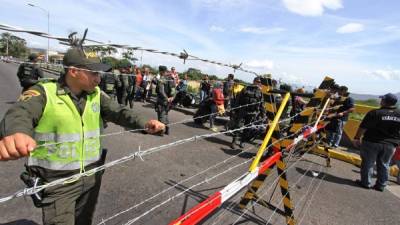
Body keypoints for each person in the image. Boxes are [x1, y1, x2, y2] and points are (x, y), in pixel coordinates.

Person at [0, 46, 165, 225]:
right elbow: (20, 113)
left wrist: (145, 123)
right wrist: (16, 133)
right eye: (93, 73)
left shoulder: (95, 95)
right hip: (58, 182)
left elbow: (120, 111)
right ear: (74, 71)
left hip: (91, 176)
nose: (98, 78)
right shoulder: (43, 92)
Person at [353, 93, 400, 191]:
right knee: (384, 164)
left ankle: (366, 183)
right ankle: (381, 185)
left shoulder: (374, 113)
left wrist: (357, 138)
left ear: (384, 101)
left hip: (371, 142)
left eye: (382, 99)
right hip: (390, 144)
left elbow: (363, 127)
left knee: (368, 163)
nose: (380, 101)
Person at [231, 77, 265, 149]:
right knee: (238, 126)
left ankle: (242, 142)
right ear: (253, 81)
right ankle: (234, 141)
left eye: (259, 82)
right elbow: (238, 99)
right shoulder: (246, 88)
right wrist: (235, 109)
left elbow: (262, 104)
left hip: (252, 112)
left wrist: (263, 114)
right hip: (243, 110)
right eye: (257, 81)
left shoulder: (260, 92)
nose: (258, 83)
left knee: (247, 128)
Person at [155, 65, 176, 135]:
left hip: (162, 99)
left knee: (161, 114)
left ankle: (161, 131)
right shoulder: (170, 78)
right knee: (166, 114)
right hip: (169, 100)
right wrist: (171, 98)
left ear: (161, 71)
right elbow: (173, 89)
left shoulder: (162, 78)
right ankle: (167, 129)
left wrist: (166, 98)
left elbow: (161, 91)